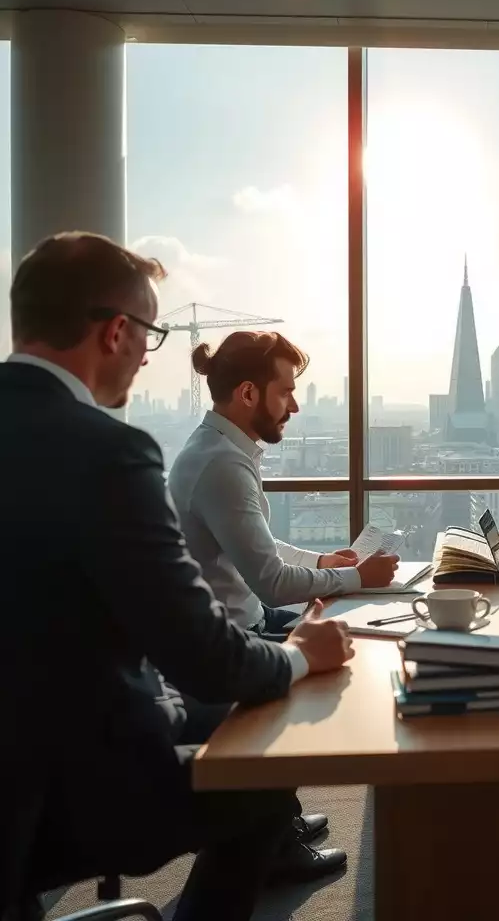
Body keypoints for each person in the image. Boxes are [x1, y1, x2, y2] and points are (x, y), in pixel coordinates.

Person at [0, 232, 357, 921]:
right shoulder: (107, 455)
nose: (146, 355)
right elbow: (203, 654)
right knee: (260, 778)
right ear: (115, 332)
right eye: (150, 335)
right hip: (67, 786)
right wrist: (300, 657)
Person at [169, 330, 399, 637]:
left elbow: (253, 545)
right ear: (248, 393)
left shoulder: (218, 448)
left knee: (348, 632)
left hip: (253, 618)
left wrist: (320, 562)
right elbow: (274, 583)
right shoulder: (222, 465)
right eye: (284, 392)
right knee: (356, 645)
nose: (294, 407)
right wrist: (357, 577)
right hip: (235, 641)